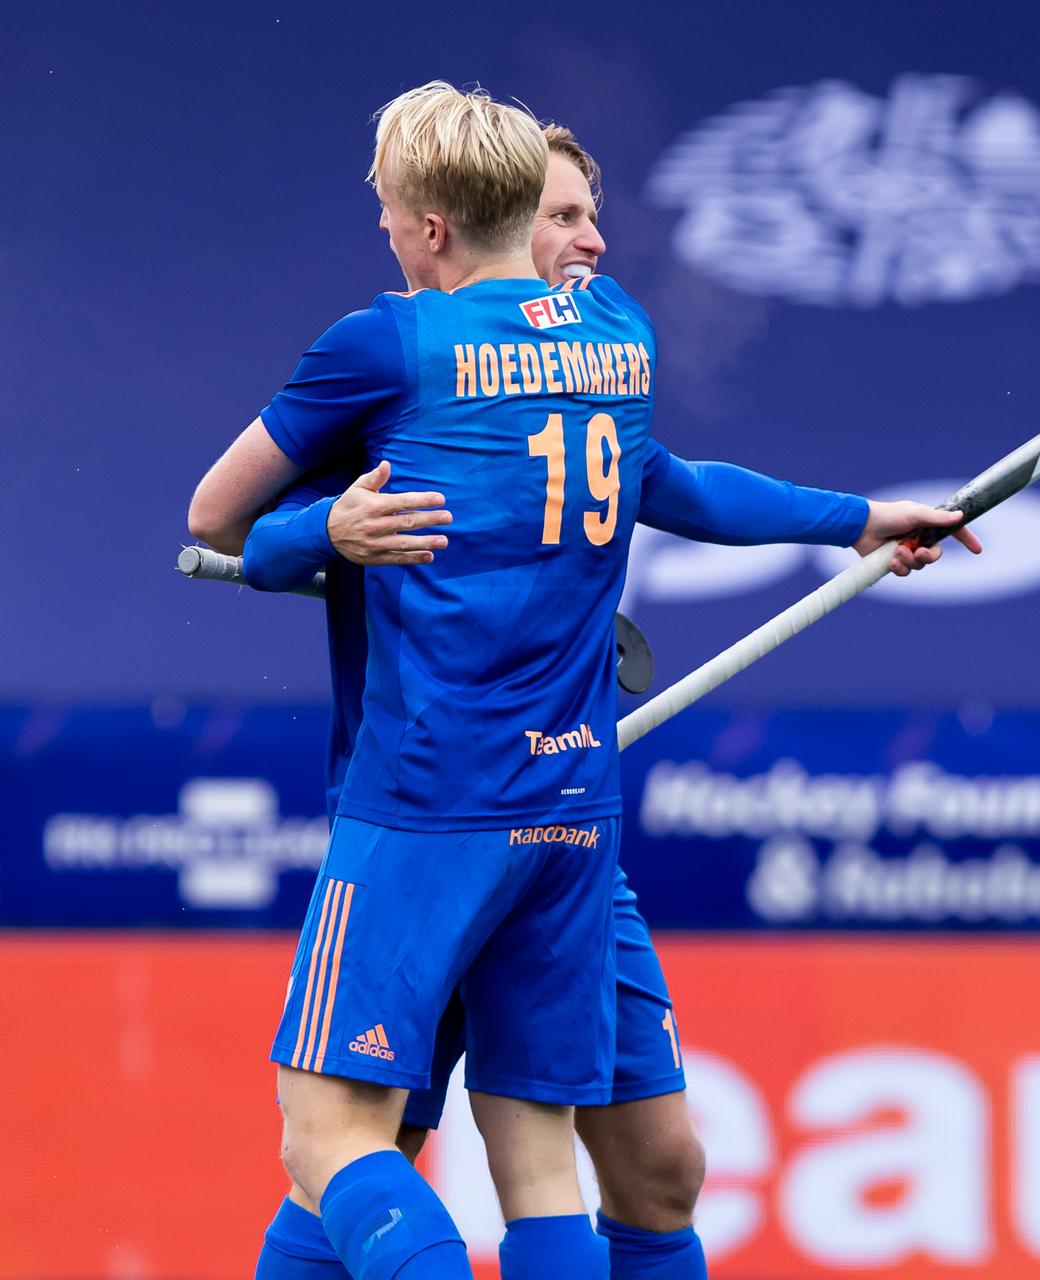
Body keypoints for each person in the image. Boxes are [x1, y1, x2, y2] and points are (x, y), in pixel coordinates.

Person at [188, 82, 975, 1280]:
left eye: (393, 213)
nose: (589, 240)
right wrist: (854, 516)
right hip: (562, 810)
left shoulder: (389, 343)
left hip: (426, 811)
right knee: (526, 1151)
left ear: (436, 221)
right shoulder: (618, 335)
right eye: (567, 213)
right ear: (518, 212)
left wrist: (320, 537)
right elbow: (666, 479)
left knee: (333, 1137)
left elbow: (214, 523)